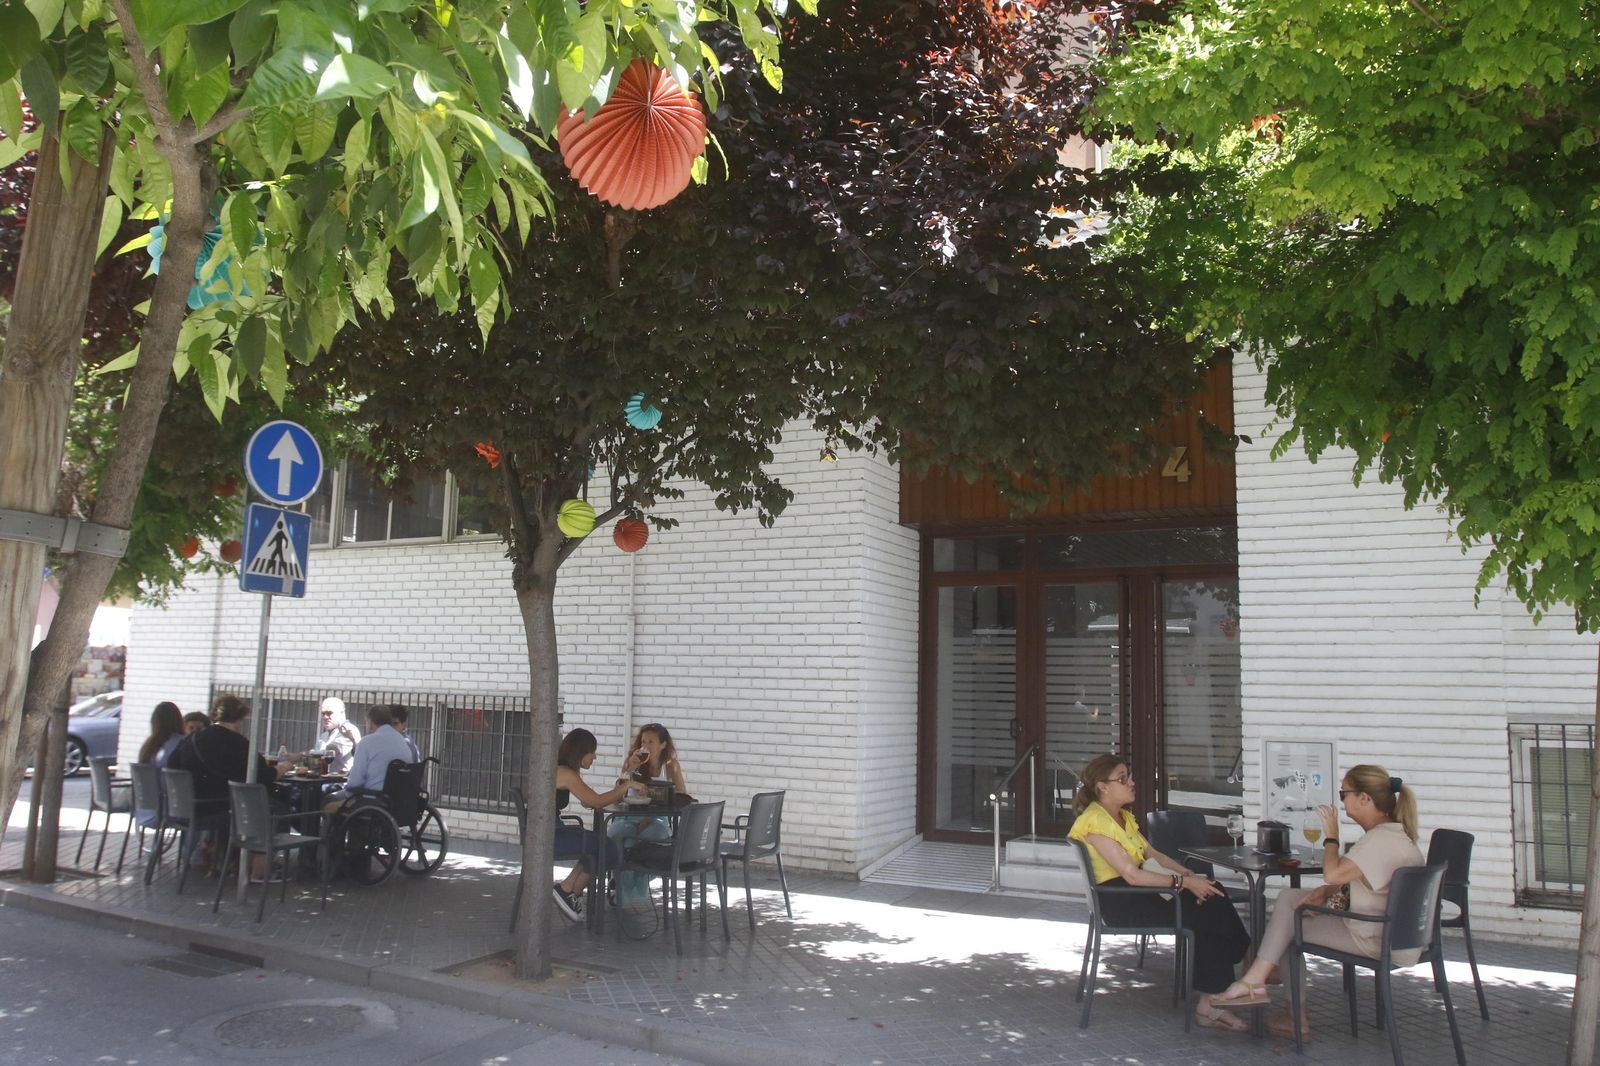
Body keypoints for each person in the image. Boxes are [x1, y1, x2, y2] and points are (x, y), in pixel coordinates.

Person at [1211, 765, 1423, 1039]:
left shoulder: (1378, 841)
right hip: (1393, 935)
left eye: (1344, 793)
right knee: (1290, 902)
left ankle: (1273, 997)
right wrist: (1326, 891)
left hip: (1374, 938)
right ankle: (1261, 980)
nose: (1342, 801)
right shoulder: (1394, 836)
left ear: (1364, 799)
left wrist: (1331, 835)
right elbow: (1356, 876)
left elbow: (1333, 871)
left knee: (1289, 922)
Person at [1069, 753, 1253, 1031]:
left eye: (1129, 776)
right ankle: (1240, 974)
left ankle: (1225, 989)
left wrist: (1191, 876)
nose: (1132, 782)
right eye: (1123, 778)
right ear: (1103, 786)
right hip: (1124, 903)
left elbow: (1155, 854)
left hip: (1142, 894)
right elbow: (1131, 875)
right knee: (1209, 907)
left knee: (1212, 893)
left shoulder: (1122, 818)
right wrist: (1185, 884)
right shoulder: (1096, 822)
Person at [166, 694, 283, 879]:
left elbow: (171, 765)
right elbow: (264, 776)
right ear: (239, 719)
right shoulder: (238, 743)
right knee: (274, 807)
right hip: (217, 807)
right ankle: (259, 869)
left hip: (187, 807)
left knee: (242, 805)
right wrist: (282, 768)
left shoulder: (192, 739)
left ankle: (226, 862)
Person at [553, 728, 642, 921]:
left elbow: (590, 801)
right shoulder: (565, 773)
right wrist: (625, 786)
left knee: (600, 844)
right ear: (580, 751)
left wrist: (625, 778)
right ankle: (569, 890)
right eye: (592, 751)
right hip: (551, 837)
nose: (595, 756)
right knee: (608, 848)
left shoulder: (565, 771)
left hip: (552, 831)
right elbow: (597, 802)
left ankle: (568, 889)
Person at [607, 723, 688, 902]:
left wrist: (651, 813)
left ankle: (625, 891)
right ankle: (624, 889)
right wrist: (629, 769)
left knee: (652, 837)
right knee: (616, 834)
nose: (645, 746)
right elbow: (616, 796)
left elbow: (683, 797)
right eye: (643, 741)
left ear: (663, 745)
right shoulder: (633, 761)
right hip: (630, 815)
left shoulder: (670, 765)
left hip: (658, 818)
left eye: (651, 742)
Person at [323, 704, 416, 813]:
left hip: (372, 799)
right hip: (398, 800)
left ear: (371, 723)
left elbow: (356, 780)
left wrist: (349, 792)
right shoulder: (403, 742)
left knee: (329, 800)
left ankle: (332, 829)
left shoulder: (367, 742)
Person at [133, 702, 185, 830]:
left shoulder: (148, 746)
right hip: (170, 810)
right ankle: (194, 849)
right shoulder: (181, 743)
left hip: (145, 810)